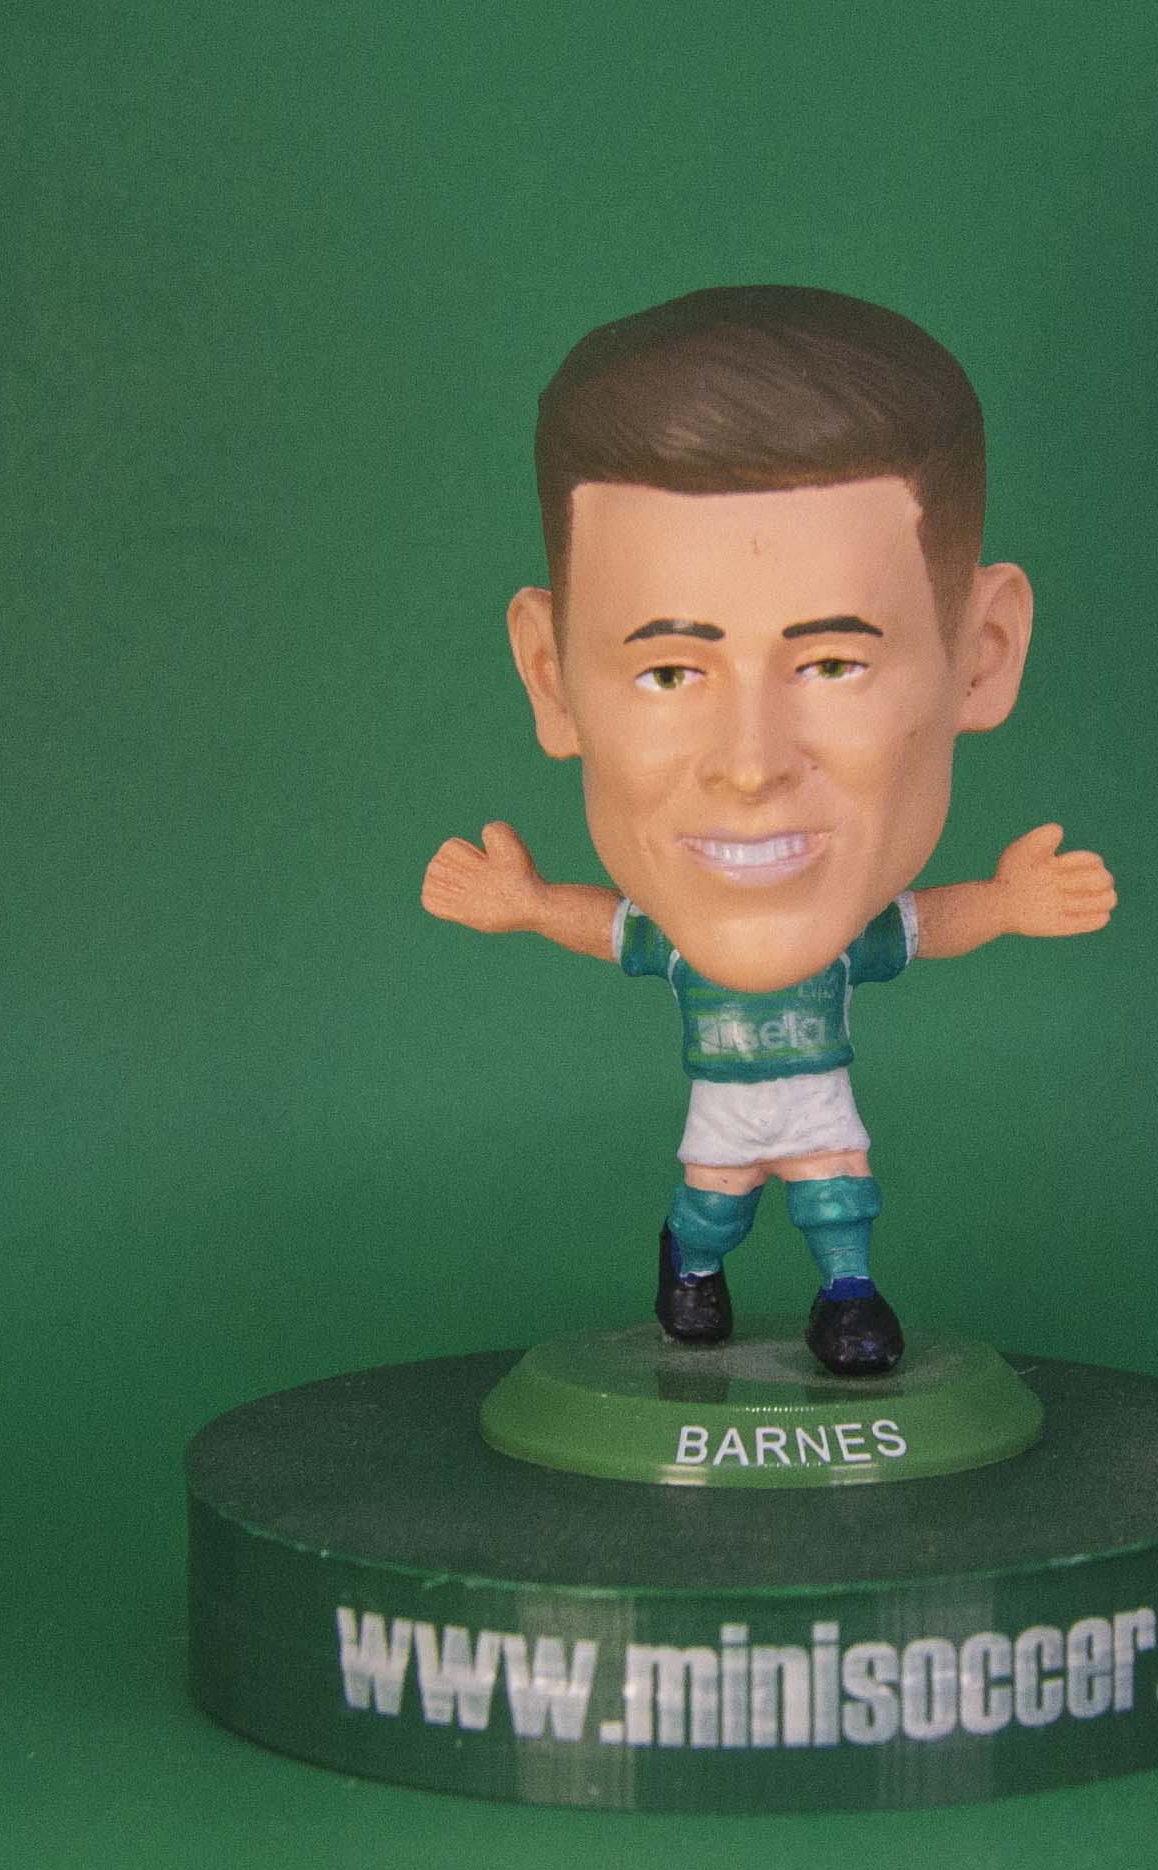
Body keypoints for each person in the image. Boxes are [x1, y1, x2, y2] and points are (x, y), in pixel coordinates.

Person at [421, 286, 1115, 1376]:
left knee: (838, 1189)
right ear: (552, 680)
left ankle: (847, 1291)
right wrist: (524, 902)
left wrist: (1011, 902)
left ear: (980, 656)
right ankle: (692, 1269)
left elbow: (924, 925)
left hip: (813, 1094)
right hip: (724, 1111)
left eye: (832, 663)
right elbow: (609, 928)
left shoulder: (846, 949)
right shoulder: (674, 946)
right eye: (667, 672)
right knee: (716, 1202)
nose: (750, 764)